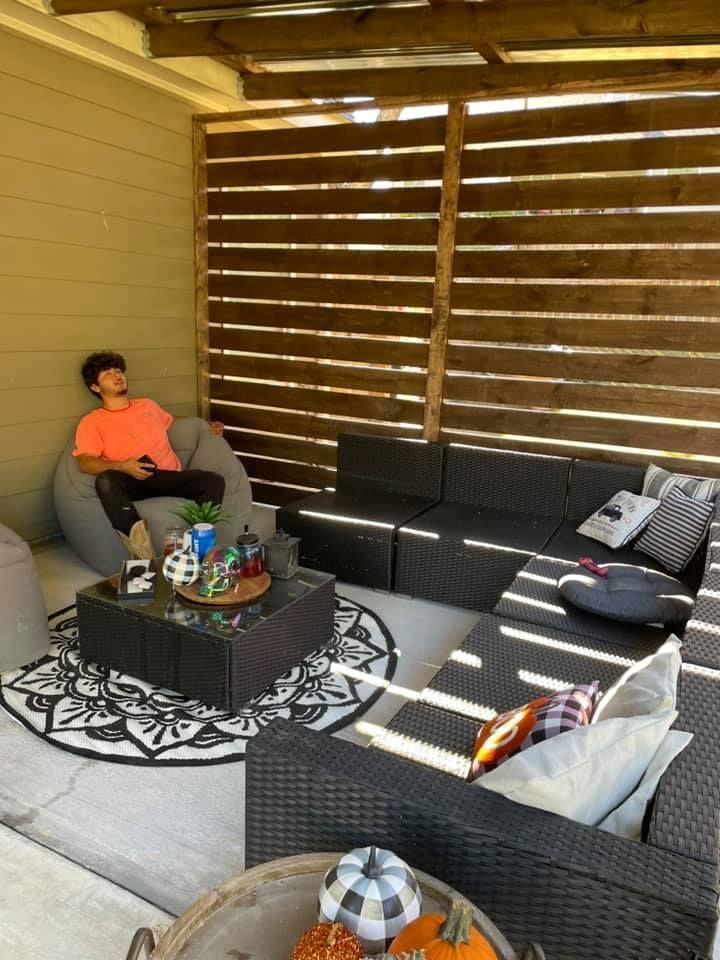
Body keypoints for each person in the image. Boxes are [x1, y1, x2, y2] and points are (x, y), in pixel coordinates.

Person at [73, 351, 226, 560]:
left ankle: (197, 549)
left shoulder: (147, 405)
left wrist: (205, 426)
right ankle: (144, 558)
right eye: (108, 373)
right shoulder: (92, 422)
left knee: (214, 481)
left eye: (119, 371)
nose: (118, 376)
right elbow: (85, 462)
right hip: (133, 481)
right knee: (105, 481)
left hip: (167, 476)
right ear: (95, 387)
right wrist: (122, 466)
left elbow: (173, 421)